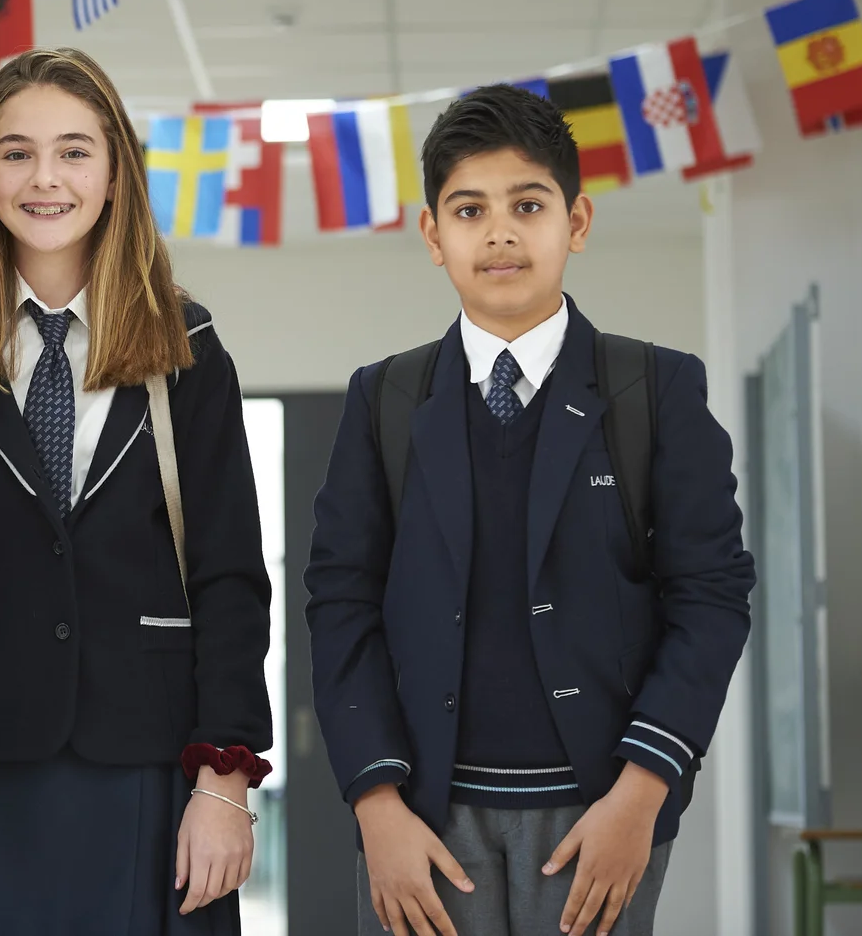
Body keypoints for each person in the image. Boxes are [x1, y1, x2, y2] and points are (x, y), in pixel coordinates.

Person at [0, 48, 273, 935]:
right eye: (16, 151)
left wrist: (225, 783)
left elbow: (230, 572)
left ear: (115, 172)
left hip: (145, 762)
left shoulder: (189, 345)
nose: (46, 178)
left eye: (75, 150)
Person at [305, 84, 755, 936]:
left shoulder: (655, 389)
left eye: (529, 204)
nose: (501, 231)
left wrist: (645, 788)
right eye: (470, 209)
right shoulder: (384, 400)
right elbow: (340, 604)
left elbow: (712, 595)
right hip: (423, 822)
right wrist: (374, 801)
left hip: (600, 813)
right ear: (434, 236)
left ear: (576, 222)